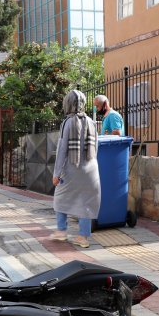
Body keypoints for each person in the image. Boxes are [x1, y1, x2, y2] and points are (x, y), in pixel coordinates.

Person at [50, 90, 100, 249]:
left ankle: (61, 231)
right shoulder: (92, 122)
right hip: (91, 169)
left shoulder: (68, 122)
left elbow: (62, 150)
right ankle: (83, 238)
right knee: (86, 203)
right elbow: (96, 147)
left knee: (60, 198)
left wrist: (56, 173)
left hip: (72, 168)